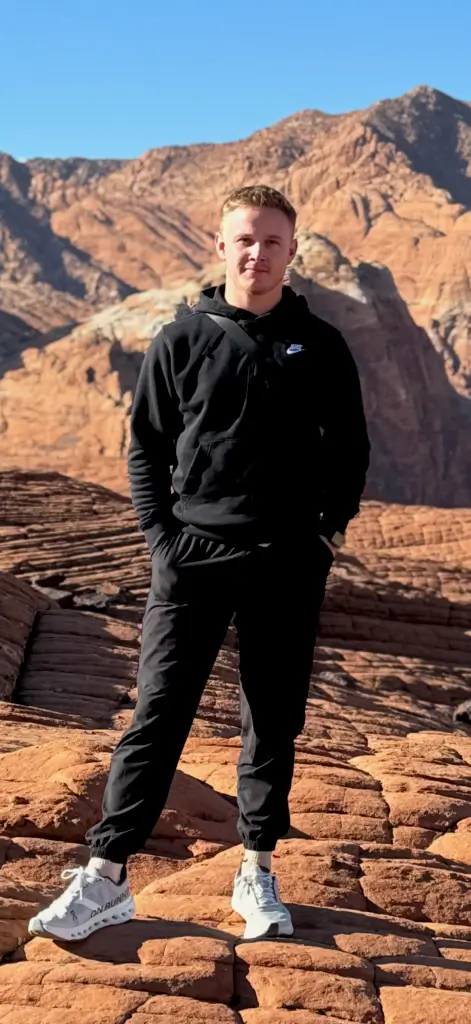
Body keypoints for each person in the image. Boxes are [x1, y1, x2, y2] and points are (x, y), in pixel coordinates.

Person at [29, 185, 370, 943]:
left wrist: (326, 537)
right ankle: (106, 876)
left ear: (292, 250)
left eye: (272, 241)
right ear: (220, 247)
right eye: (244, 240)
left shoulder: (319, 345)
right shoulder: (181, 338)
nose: (257, 253)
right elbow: (147, 445)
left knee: (271, 719)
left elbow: (348, 449)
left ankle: (256, 871)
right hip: (192, 559)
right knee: (158, 713)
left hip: (285, 560)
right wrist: (161, 538)